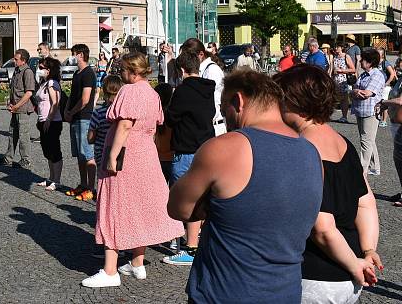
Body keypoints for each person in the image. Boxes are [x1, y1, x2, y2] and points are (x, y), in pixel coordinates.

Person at [168, 69, 323, 303]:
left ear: (238, 101)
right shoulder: (312, 153)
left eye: (223, 109)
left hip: (224, 292)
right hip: (285, 291)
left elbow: (178, 208)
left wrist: (212, 203)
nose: (223, 117)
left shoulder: (225, 147)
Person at [274, 65, 382, 303]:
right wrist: (368, 251)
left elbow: (322, 227)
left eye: (280, 100)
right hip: (349, 276)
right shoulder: (343, 143)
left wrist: (355, 264)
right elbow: (366, 203)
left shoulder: (302, 150)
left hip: (314, 274)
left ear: (295, 103)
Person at [82, 52, 184, 288]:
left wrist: (113, 155)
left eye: (123, 70)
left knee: (114, 205)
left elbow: (125, 125)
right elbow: (155, 125)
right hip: (146, 155)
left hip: (127, 155)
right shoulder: (152, 93)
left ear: (133, 71)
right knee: (139, 204)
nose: (120, 73)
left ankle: (110, 271)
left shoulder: (129, 91)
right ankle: (137, 263)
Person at [161, 50, 216, 266]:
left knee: (185, 199)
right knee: (202, 198)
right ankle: (197, 241)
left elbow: (171, 119)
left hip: (185, 150)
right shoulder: (207, 88)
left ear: (182, 70)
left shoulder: (183, 91)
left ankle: (190, 246)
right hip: (205, 147)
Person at [64, 43, 98, 202]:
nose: (71, 56)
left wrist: (72, 111)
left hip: (84, 117)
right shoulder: (77, 73)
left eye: (73, 53)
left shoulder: (88, 73)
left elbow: (85, 99)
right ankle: (83, 184)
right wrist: (66, 110)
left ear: (80, 55)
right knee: (79, 154)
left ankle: (91, 188)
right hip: (75, 117)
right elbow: (73, 95)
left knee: (87, 154)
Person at [0, 48, 37, 169]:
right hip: (15, 108)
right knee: (12, 134)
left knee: (23, 136)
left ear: (23, 60)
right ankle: (8, 158)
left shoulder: (27, 72)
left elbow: (29, 93)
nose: (14, 61)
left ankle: (26, 160)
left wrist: (17, 106)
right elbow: (15, 90)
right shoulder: (17, 70)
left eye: (16, 59)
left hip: (23, 109)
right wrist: (11, 103)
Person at [181, 38, 226, 136]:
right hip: (204, 125)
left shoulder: (211, 70)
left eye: (189, 57)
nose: (186, 61)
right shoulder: (199, 70)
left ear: (201, 54)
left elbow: (211, 101)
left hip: (213, 127)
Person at [351, 48, 385, 175]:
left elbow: (367, 93)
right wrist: (355, 91)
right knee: (368, 140)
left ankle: (362, 170)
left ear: (370, 62)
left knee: (366, 141)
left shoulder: (377, 75)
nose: (360, 62)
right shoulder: (363, 74)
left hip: (371, 111)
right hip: (361, 110)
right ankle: (374, 167)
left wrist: (356, 92)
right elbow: (354, 89)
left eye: (363, 60)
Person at [34, 56, 64, 190]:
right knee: (47, 151)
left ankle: (56, 180)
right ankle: (51, 177)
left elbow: (55, 103)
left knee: (54, 150)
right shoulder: (44, 83)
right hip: (43, 120)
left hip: (52, 121)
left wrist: (49, 119)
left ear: (49, 70)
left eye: (42, 68)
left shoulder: (52, 83)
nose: (39, 70)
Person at [88, 75, 123, 179]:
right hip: (120, 154)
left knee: (103, 182)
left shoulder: (98, 113)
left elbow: (90, 139)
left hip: (101, 154)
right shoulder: (123, 113)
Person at [332, 43, 357, 124]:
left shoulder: (346, 56)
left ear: (341, 48)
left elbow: (353, 69)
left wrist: (342, 71)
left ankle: (344, 116)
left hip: (344, 80)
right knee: (336, 98)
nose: (336, 48)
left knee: (344, 99)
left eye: (337, 47)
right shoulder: (334, 56)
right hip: (336, 80)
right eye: (335, 47)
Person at [378, 48, 396, 128]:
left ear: (382, 54)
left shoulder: (385, 63)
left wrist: (386, 83)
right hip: (378, 86)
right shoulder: (375, 63)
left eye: (378, 53)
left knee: (384, 103)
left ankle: (384, 120)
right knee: (378, 102)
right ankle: (378, 118)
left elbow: (392, 74)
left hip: (385, 87)